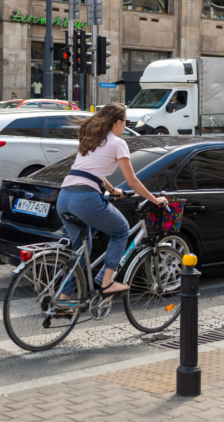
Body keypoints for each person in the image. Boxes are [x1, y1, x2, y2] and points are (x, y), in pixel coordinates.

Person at [56, 103, 168, 310]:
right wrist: (155, 199)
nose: (126, 126)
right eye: (126, 122)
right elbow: (132, 181)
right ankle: (106, 282)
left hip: (64, 197)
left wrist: (112, 189)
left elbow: (90, 172)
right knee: (121, 231)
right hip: (85, 200)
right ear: (117, 122)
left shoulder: (91, 139)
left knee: (82, 251)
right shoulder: (118, 143)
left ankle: (62, 299)